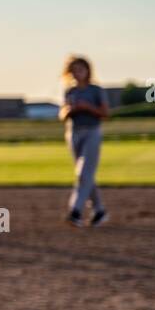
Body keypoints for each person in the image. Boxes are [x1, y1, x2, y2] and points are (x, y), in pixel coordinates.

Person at [59, 55, 109, 227]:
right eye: (74, 70)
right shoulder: (70, 92)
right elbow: (63, 114)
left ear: (87, 71)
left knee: (83, 173)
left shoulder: (95, 90)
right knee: (86, 174)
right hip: (74, 133)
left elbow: (105, 113)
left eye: (80, 69)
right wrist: (69, 110)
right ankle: (99, 210)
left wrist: (87, 107)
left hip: (92, 131)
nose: (77, 73)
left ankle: (76, 211)